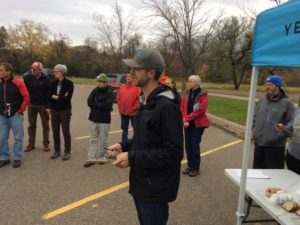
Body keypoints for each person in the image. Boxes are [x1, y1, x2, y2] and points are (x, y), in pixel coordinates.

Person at [108, 48, 183, 225]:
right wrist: (123, 145)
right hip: (142, 182)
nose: (130, 73)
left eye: (136, 69)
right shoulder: (146, 101)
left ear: (151, 73)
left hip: (155, 187)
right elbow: (146, 139)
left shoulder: (166, 107)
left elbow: (174, 153)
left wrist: (132, 157)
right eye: (130, 69)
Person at [252, 75, 294, 169]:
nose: (267, 87)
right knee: (257, 173)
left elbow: (291, 124)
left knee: (274, 176)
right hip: (259, 144)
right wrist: (254, 132)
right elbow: (254, 118)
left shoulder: (287, 103)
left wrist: (282, 130)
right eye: (266, 84)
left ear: (278, 86)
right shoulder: (261, 101)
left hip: (275, 147)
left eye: (270, 84)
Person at [0, 62, 30, 168]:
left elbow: (26, 97)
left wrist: (20, 110)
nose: (0, 72)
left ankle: (17, 157)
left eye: (1, 70)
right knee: (2, 138)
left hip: (15, 115)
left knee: (18, 138)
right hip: (2, 116)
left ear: (8, 71)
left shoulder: (18, 83)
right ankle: (4, 157)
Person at [180, 75, 209, 177]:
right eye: (188, 81)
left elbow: (201, 110)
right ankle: (189, 165)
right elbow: (182, 106)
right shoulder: (187, 92)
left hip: (197, 124)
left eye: (191, 81)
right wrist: (184, 117)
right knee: (188, 145)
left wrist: (187, 118)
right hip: (187, 123)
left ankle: (196, 168)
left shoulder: (202, 94)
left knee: (194, 145)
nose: (189, 83)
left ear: (196, 82)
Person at [84, 73, 114, 168]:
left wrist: (96, 104)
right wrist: (99, 105)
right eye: (99, 82)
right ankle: (91, 158)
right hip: (93, 118)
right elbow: (89, 101)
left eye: (101, 82)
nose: (99, 83)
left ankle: (103, 157)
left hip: (104, 120)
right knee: (93, 139)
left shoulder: (110, 92)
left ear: (105, 83)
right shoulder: (94, 91)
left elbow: (108, 105)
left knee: (104, 140)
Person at [47, 64, 74, 161]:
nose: (54, 73)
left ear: (62, 72)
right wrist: (50, 106)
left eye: (56, 71)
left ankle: (67, 152)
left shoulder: (69, 84)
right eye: (54, 71)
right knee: (55, 132)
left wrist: (57, 97)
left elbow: (67, 98)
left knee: (65, 131)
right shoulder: (53, 83)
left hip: (65, 111)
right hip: (54, 110)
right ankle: (57, 151)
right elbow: (49, 96)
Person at [24, 62, 50, 152]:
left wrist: (48, 106)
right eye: (32, 68)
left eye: (35, 69)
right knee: (31, 125)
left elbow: (49, 94)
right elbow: (25, 91)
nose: (33, 70)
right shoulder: (27, 78)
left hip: (43, 105)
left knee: (45, 125)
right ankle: (31, 144)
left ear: (40, 70)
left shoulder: (46, 79)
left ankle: (46, 143)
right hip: (31, 105)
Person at [275, 105, 300, 175]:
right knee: (293, 183)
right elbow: (290, 127)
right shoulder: (297, 111)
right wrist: (283, 128)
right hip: (293, 156)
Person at [116, 72, 140, 141]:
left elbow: (139, 100)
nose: (128, 77)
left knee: (136, 129)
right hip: (123, 113)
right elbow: (118, 98)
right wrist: (120, 109)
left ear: (133, 78)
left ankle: (136, 143)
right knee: (124, 129)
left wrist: (133, 108)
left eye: (130, 76)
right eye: (127, 76)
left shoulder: (137, 88)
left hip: (133, 113)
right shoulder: (122, 87)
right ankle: (124, 144)